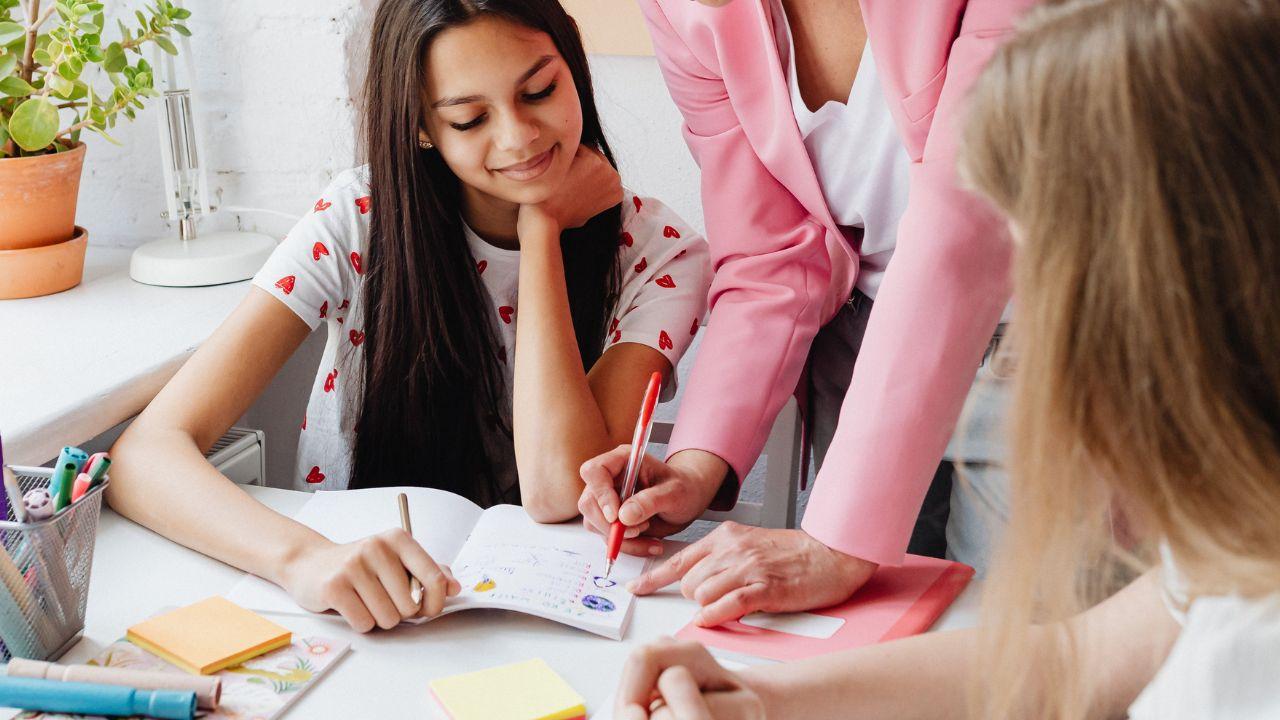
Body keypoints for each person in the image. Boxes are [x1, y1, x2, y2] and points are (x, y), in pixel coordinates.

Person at [612, 0, 1280, 717]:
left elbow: (964, 230)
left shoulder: (1242, 635)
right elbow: (1073, 658)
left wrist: (837, 542)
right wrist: (762, 696)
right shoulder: (1226, 567)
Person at [107, 0, 710, 633]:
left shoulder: (659, 251)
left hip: (548, 617)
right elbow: (145, 455)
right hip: (361, 609)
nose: (519, 137)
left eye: (539, 91)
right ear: (422, 125)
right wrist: (303, 560)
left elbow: (559, 489)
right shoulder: (359, 217)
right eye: (470, 118)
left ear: (574, 71)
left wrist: (543, 230)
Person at [579, 0, 1036, 628]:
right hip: (861, 349)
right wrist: (695, 464)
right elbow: (768, 251)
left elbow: (968, 214)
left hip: (1051, 334)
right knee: (873, 657)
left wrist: (840, 536)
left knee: (1021, 651)